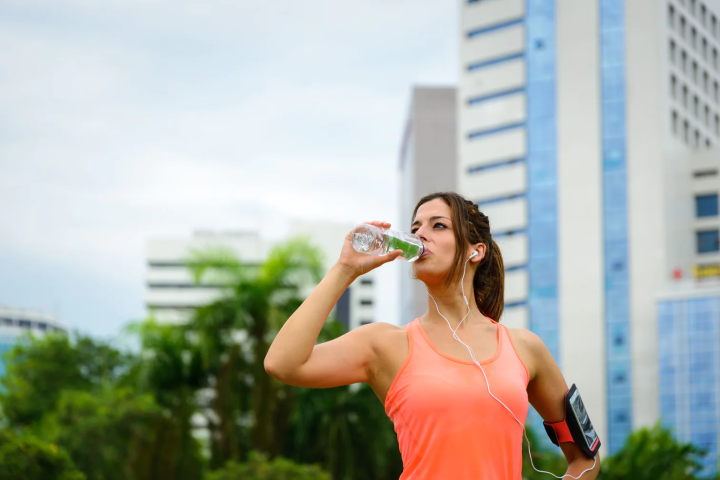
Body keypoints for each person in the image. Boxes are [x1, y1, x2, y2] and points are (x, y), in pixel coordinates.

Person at [264, 191, 600, 479]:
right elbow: (283, 363)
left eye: (437, 225)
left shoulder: (524, 347)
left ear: (476, 251)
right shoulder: (386, 345)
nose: (420, 234)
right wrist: (345, 269)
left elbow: (586, 457)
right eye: (415, 228)